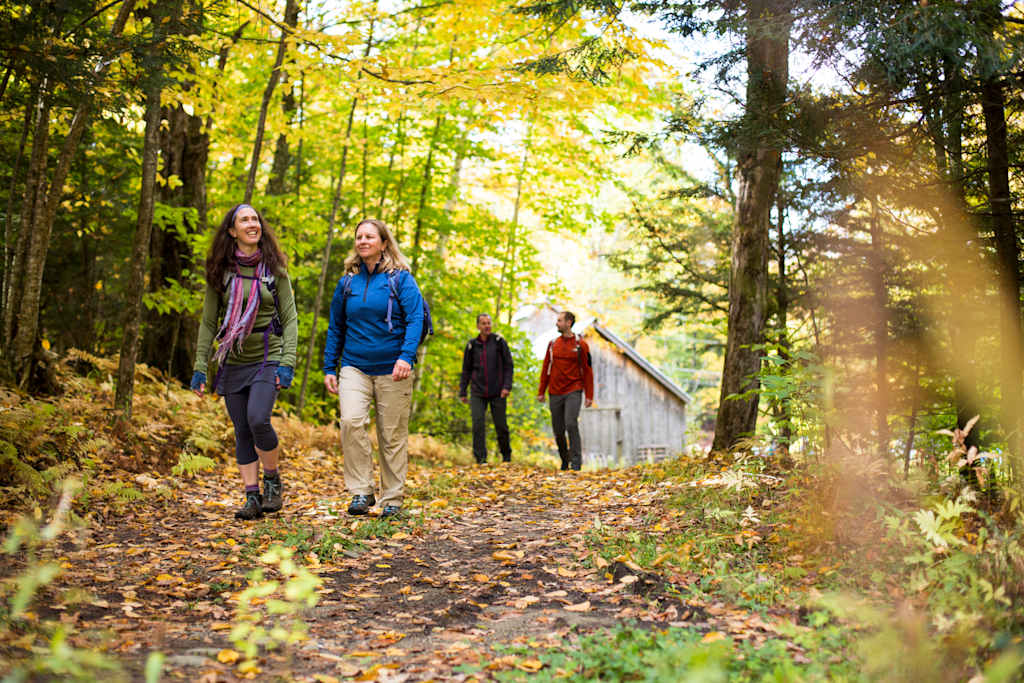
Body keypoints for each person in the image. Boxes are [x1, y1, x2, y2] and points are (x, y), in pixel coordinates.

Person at [191, 203, 298, 520]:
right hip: (233, 357)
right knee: (241, 430)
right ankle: (252, 497)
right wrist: (200, 367)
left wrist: (287, 361)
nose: (252, 224)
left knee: (257, 419)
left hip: (268, 354)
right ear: (232, 231)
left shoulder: (274, 270)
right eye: (244, 220)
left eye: (255, 219)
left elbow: (290, 319)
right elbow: (209, 322)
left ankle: (272, 479)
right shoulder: (220, 273)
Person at [323, 218, 425, 519]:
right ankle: (361, 492)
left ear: (383, 243)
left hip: (394, 368)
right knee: (351, 422)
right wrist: (330, 366)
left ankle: (392, 497)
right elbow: (336, 327)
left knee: (391, 435)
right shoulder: (347, 283)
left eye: (369, 237)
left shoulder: (401, 279)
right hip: (354, 366)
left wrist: (406, 356)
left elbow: (415, 319)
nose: (363, 241)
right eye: (359, 237)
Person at [536, 311, 594, 471]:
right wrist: (541, 391)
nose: (557, 323)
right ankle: (564, 459)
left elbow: (588, 370)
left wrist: (589, 395)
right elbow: (545, 368)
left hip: (574, 390)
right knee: (558, 430)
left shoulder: (581, 345)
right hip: (555, 392)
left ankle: (576, 463)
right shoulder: (553, 344)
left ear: (569, 323)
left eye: (560, 320)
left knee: (571, 423)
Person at [459, 313, 514, 464]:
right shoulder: (471, 345)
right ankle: (480, 459)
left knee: (501, 426)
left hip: (498, 392)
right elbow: (466, 370)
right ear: (478, 326)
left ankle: (506, 457)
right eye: (483, 323)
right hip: (478, 392)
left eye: (488, 323)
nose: (487, 326)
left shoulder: (499, 342)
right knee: (477, 424)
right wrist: (463, 391)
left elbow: (509, 365)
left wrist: (506, 386)